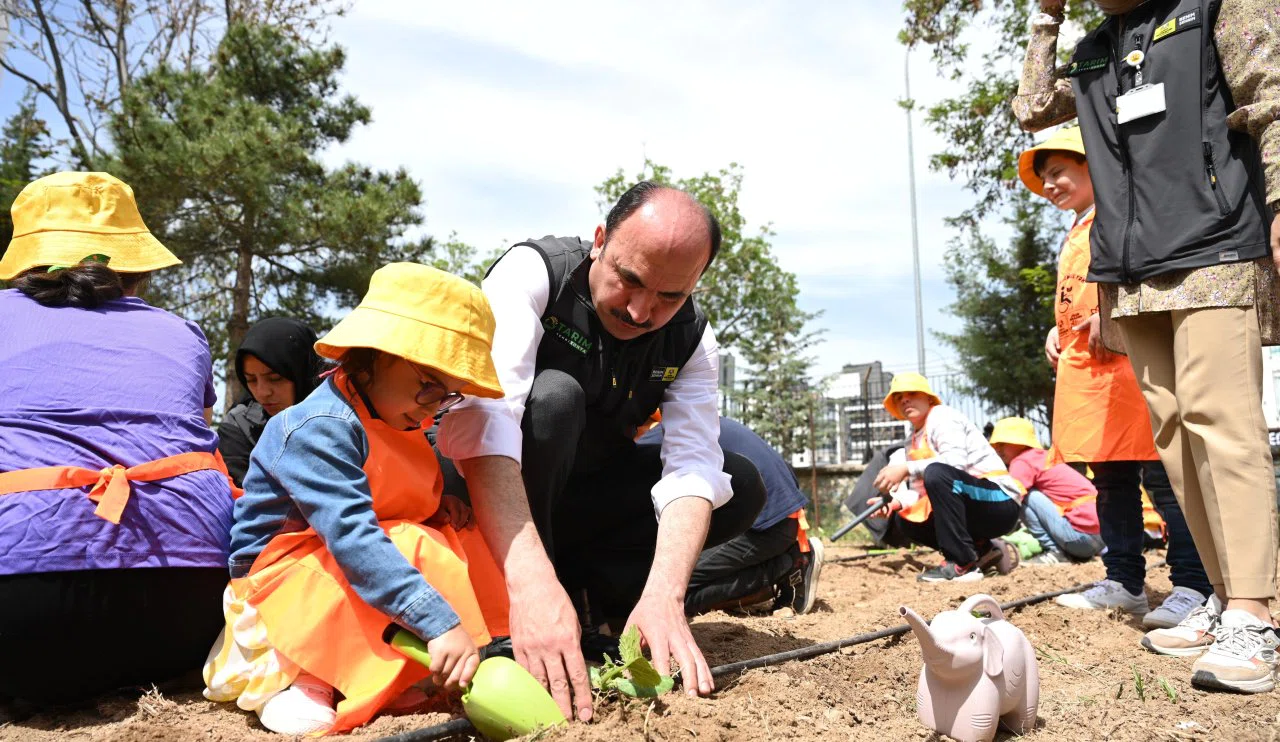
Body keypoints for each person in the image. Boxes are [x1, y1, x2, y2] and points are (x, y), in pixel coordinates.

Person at [1015, 0, 1280, 693]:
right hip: (1130, 269)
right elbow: (1033, 106)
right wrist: (1046, 20)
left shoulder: (1214, 7)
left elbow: (1271, 97)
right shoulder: (1094, 49)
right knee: (1174, 433)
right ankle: (1222, 596)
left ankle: (1255, 612)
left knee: (1221, 421)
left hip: (1215, 245)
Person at [436, 181, 766, 719]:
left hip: (582, 495)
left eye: (670, 296)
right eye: (629, 280)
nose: (640, 311)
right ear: (599, 241)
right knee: (553, 399)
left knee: (739, 484)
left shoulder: (692, 340)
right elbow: (488, 422)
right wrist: (531, 586)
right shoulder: (533, 274)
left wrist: (666, 593)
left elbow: (691, 466)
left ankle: (611, 607)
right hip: (494, 494)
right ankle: (519, 605)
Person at [203, 263, 511, 735]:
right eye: (429, 385)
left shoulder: (397, 412)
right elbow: (352, 535)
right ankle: (304, 677)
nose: (434, 406)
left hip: (349, 563)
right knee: (410, 544)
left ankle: (406, 668)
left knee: (456, 535)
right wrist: (439, 622)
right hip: (279, 583)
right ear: (371, 358)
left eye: (449, 396)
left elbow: (389, 496)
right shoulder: (320, 426)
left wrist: (436, 509)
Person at [0, 172, 235, 705]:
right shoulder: (182, 333)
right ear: (135, 265)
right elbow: (198, 436)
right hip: (189, 617)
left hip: (18, 619)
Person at [1016, 128, 1213, 629]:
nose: (1050, 185)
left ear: (1092, 166)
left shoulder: (1121, 214)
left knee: (1164, 474)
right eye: (1045, 178)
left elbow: (1142, 276)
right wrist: (1057, 330)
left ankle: (1193, 584)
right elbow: (1077, 295)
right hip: (1093, 373)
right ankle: (1124, 581)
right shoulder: (1078, 227)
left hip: (1132, 364)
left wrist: (1111, 314)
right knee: (1110, 479)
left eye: (1059, 172)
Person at [639, 417, 823, 616]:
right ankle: (772, 566)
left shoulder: (652, 441)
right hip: (779, 518)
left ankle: (785, 567)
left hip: (766, 528)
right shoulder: (688, 421)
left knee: (669, 587)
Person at [869, 373, 1024, 582]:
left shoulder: (942, 417)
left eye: (912, 393)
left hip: (1000, 501)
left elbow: (953, 466)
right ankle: (981, 550)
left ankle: (961, 562)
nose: (904, 400)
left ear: (928, 398)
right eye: (898, 397)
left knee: (937, 472)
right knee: (906, 519)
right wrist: (894, 504)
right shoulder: (911, 440)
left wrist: (906, 468)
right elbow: (921, 494)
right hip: (969, 500)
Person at [218, 317, 325, 486]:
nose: (262, 392)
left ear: (303, 372)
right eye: (251, 380)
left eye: (275, 378)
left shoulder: (343, 418)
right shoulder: (239, 426)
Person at [989, 417, 1103, 565]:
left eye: (1002, 444)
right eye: (996, 445)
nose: (998, 449)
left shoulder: (1022, 461)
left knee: (1022, 496)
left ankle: (1054, 552)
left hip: (1080, 539)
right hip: (1101, 538)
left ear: (1021, 443)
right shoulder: (1044, 457)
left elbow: (1008, 500)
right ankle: (1070, 554)